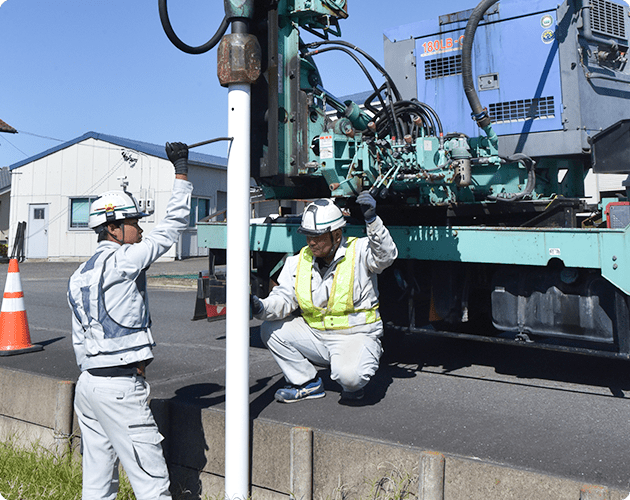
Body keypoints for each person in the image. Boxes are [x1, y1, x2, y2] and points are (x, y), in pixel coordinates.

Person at [67, 141, 191, 500]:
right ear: (114, 228)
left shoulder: (79, 275)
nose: (139, 229)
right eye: (134, 223)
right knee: (152, 483)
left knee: (98, 483)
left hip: (88, 386)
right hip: (119, 387)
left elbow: (81, 339)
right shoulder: (124, 261)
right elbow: (171, 228)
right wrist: (180, 172)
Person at [251, 192, 398, 403]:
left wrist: (372, 221)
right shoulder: (298, 261)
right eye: (308, 235)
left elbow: (386, 256)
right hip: (317, 335)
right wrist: (261, 307)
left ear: (336, 235)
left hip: (354, 335)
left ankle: (357, 366)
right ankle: (306, 383)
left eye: (317, 236)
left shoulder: (360, 251)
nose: (311, 242)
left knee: (350, 378)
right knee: (269, 328)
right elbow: (283, 299)